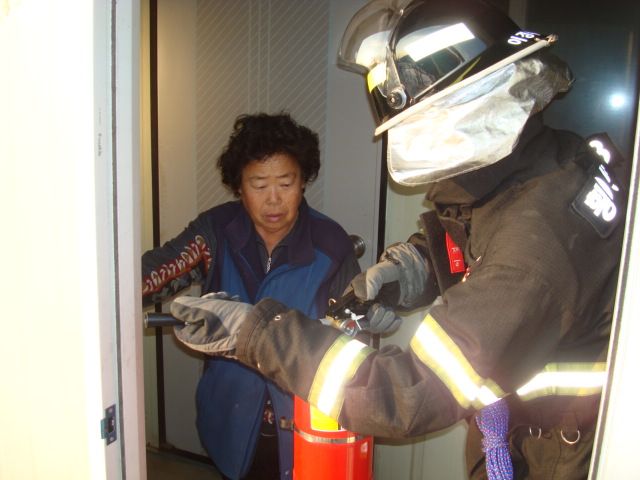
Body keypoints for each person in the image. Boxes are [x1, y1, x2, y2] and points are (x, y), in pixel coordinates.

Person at [167, 1, 628, 479]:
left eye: (421, 124)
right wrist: (408, 270)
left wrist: (257, 333)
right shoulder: (543, 168)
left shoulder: (537, 245)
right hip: (526, 431)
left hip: (557, 454)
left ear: (473, 105)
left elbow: (408, 395)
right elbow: (484, 233)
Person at [141, 112, 364, 480]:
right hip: (229, 417)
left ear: (303, 182)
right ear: (239, 187)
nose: (273, 200)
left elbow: (352, 343)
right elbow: (154, 273)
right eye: (258, 185)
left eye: (286, 183)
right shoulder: (216, 231)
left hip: (304, 421)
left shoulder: (331, 245)